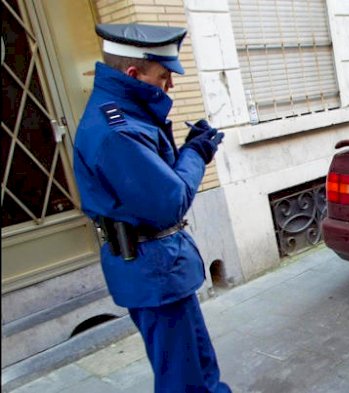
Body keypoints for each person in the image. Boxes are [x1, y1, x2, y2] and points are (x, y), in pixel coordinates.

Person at [73, 23, 231, 392]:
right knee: (183, 379)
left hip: (161, 270)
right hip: (152, 272)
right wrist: (197, 152)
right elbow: (169, 202)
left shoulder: (127, 115)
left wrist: (188, 148)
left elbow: (154, 179)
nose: (170, 86)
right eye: (164, 76)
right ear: (134, 74)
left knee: (200, 367)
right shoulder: (115, 130)